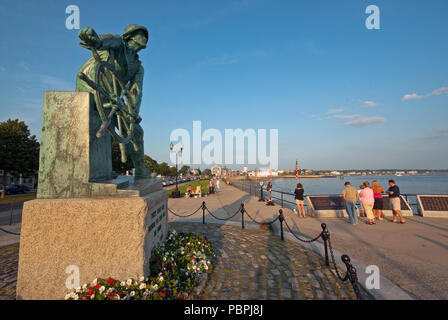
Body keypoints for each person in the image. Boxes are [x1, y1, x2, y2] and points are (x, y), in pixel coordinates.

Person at [76, 24, 151, 179]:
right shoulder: (119, 44)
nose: (145, 38)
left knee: (136, 130)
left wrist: (133, 113)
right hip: (90, 85)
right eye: (141, 34)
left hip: (111, 97)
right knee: (98, 123)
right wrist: (95, 39)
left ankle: (140, 169)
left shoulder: (138, 68)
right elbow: (107, 40)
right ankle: (97, 170)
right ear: (131, 37)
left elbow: (135, 92)